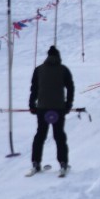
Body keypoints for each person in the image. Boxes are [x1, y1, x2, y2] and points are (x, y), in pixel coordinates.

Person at [28, 45, 74, 175]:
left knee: (40, 135)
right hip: (58, 108)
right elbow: (70, 87)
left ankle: (36, 163)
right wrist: (68, 104)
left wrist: (32, 104)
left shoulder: (38, 70)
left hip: (42, 108)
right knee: (59, 136)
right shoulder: (64, 70)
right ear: (58, 57)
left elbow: (34, 89)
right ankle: (63, 163)